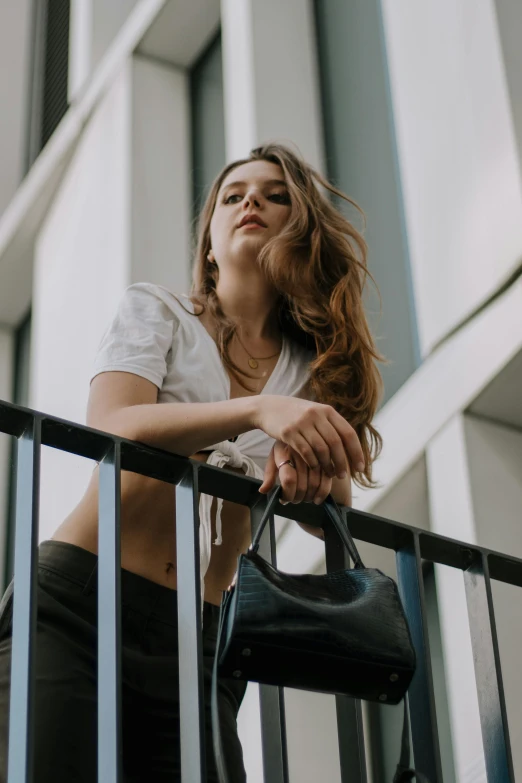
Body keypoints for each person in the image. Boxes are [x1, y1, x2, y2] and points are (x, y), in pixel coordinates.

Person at [0, 143, 384, 782]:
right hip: (79, 604)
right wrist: (256, 413)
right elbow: (114, 425)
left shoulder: (310, 372)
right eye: (233, 196)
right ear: (209, 244)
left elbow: (329, 511)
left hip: (201, 638)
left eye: (274, 193)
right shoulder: (160, 310)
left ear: (303, 231)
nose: (250, 202)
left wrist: (310, 475)